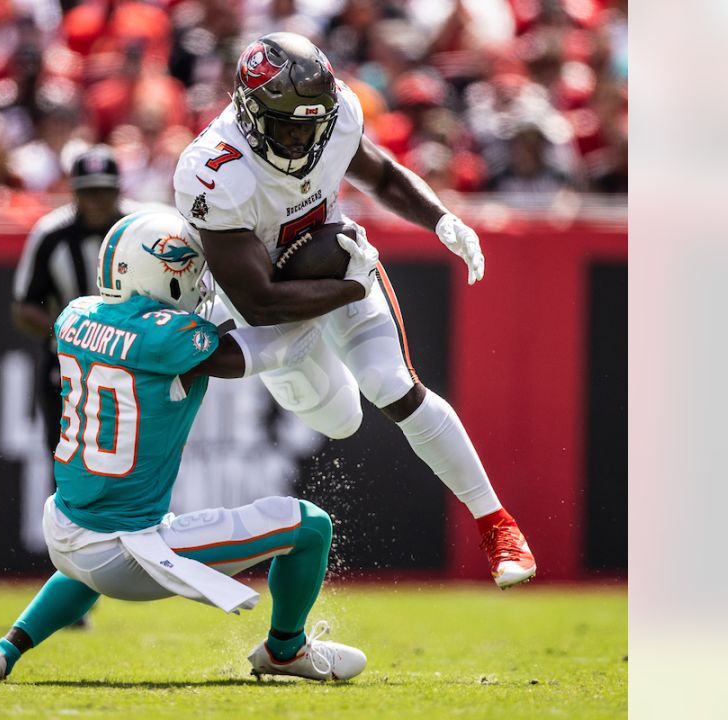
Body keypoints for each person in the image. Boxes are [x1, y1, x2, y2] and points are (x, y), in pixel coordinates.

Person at [0, 210, 374, 682]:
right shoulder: (165, 338)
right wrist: (344, 292)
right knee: (310, 526)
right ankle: (286, 650)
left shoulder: (74, 315)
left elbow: (163, 334)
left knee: (90, 548)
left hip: (65, 529)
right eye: (193, 271)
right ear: (164, 274)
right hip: (126, 552)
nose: (202, 284)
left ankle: (3, 653)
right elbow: (266, 351)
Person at [172, 33, 535, 588]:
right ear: (247, 111)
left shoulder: (337, 113)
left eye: (307, 125)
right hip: (271, 308)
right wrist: (353, 287)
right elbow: (259, 299)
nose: (298, 139)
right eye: (285, 125)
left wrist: (441, 219)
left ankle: (498, 525)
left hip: (333, 261)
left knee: (392, 384)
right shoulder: (215, 172)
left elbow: (383, 174)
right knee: (338, 421)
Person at [12, 145, 141, 456]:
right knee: (65, 461)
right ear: (73, 193)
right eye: (88, 192)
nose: (96, 201)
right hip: (67, 366)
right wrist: (73, 333)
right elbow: (22, 308)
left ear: (118, 191)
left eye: (103, 191)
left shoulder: (139, 230)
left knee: (133, 461)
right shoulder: (50, 234)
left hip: (132, 365)